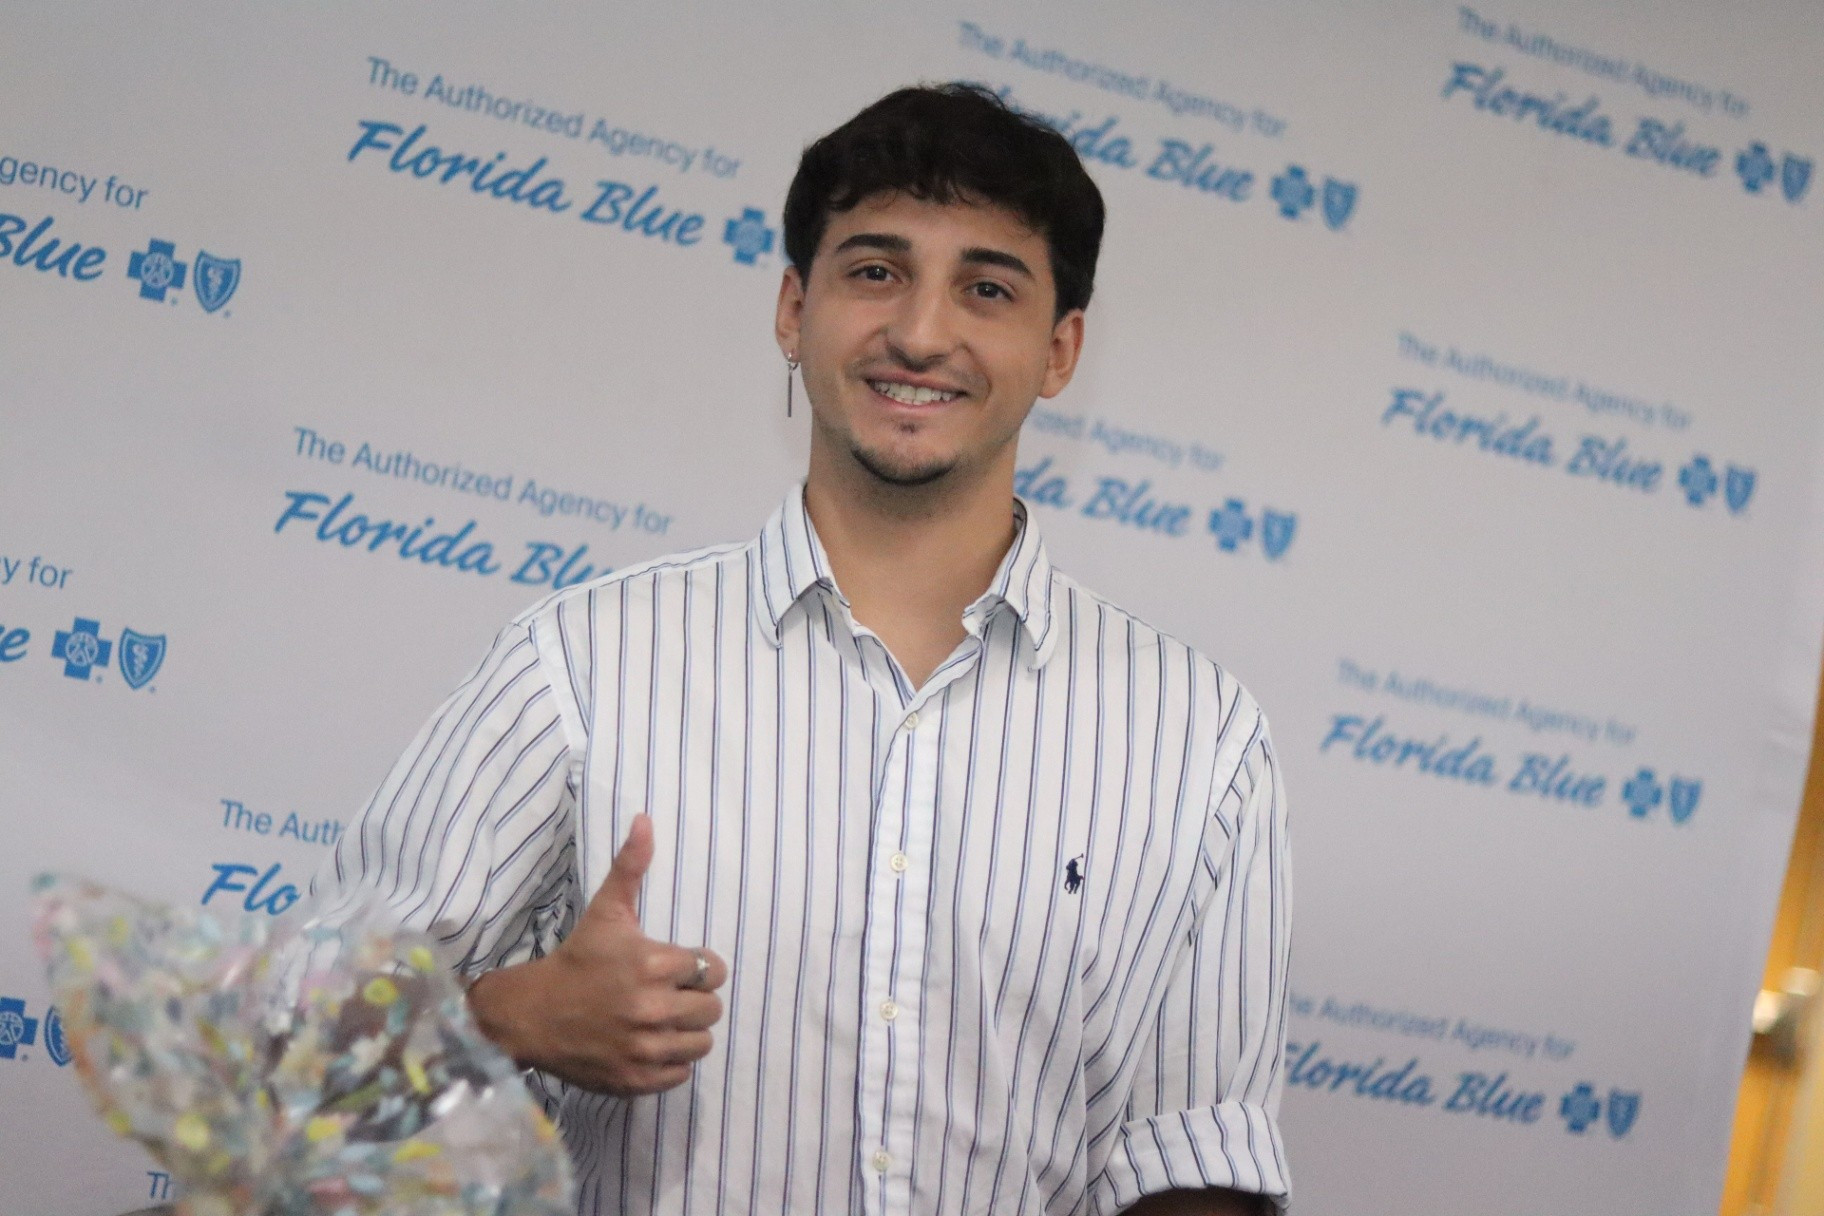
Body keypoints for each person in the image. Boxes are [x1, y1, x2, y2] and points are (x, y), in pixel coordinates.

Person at [311, 82, 1291, 1215]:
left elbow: (1195, 1163)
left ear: (1060, 349)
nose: (920, 333)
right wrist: (507, 1018)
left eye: (987, 288)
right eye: (875, 271)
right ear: (793, 310)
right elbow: (297, 1042)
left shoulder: (1199, 737)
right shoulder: (582, 662)